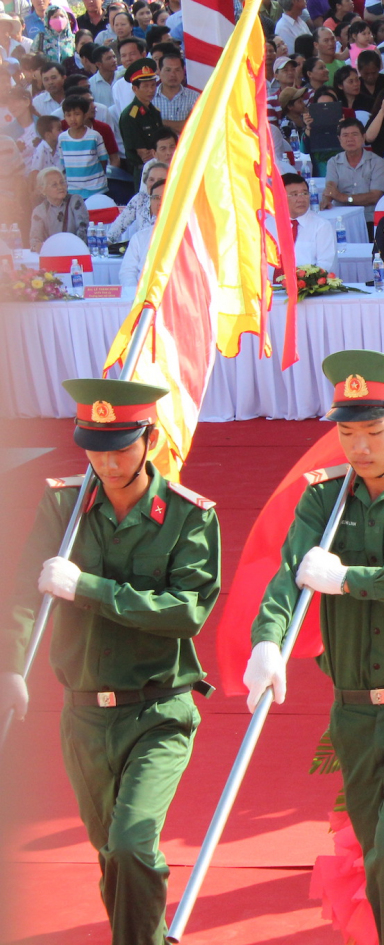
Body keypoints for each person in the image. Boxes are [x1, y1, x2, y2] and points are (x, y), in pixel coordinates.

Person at [245, 350, 384, 945]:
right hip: (355, 713)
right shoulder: (323, 499)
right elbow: (289, 573)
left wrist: (348, 578)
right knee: (379, 859)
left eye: (374, 431)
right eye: (347, 432)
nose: (360, 447)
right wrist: (266, 641)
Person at [0, 375, 219, 945]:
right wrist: (11, 667)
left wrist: (90, 589)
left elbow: (187, 612)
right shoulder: (64, 505)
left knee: (131, 844)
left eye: (120, 446)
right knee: (112, 858)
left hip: (158, 709)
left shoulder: (189, 517)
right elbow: (26, 591)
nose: (107, 461)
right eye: (93, 447)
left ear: (149, 440)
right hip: (85, 715)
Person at [321, 118, 384, 230]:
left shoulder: (376, 162)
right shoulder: (333, 162)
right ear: (339, 139)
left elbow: (375, 196)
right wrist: (326, 200)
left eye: (354, 134)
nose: (350, 139)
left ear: (363, 137)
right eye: (345, 135)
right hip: (342, 219)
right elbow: (330, 188)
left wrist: (342, 197)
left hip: (369, 219)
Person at [117, 57, 163, 184]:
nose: (151, 90)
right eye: (146, 86)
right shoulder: (130, 116)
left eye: (153, 85)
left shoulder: (154, 111)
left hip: (159, 167)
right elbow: (144, 154)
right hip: (144, 172)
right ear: (135, 89)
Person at [282, 173, 336, 272]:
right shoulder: (267, 224)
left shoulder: (321, 226)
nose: (301, 199)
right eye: (294, 195)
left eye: (305, 193)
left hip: (307, 285)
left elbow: (325, 265)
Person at [29, 165, 89, 250]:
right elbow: (35, 241)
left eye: (62, 182)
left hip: (75, 251)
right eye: (54, 185)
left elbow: (83, 231)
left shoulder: (75, 201)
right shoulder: (39, 211)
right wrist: (41, 247)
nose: (60, 187)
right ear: (42, 189)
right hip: (52, 254)